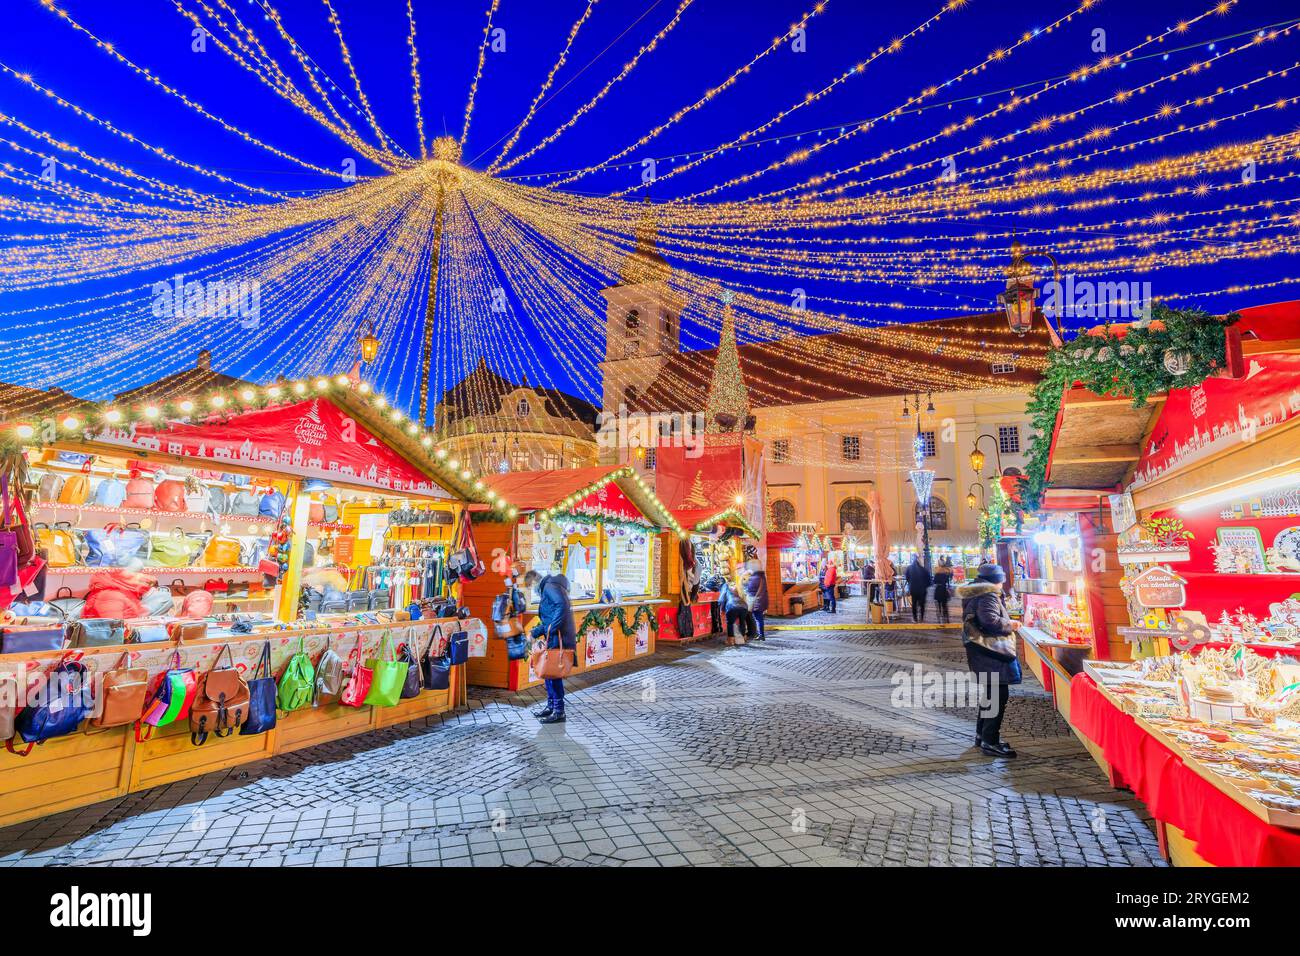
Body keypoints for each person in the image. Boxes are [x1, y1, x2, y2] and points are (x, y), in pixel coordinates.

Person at [957, 563, 1022, 758]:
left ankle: (982, 735)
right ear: (996, 580)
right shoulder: (988, 594)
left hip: (981, 651)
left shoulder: (976, 591)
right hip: (991, 652)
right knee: (997, 695)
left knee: (990, 695)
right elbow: (990, 621)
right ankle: (990, 741)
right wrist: (1011, 624)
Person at [524, 569, 576, 724]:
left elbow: (561, 606)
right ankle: (551, 706)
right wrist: (538, 631)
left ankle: (559, 711)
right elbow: (551, 615)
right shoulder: (550, 586)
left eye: (530, 585)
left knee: (553, 673)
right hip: (554, 635)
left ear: (535, 582)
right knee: (548, 672)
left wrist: (550, 628)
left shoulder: (549, 587)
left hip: (557, 636)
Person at [718, 576, 756, 643]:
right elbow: (742, 595)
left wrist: (721, 608)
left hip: (732, 606)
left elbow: (721, 599)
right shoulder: (736, 586)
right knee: (742, 622)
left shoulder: (725, 586)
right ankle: (744, 638)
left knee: (730, 623)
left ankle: (730, 640)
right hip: (744, 606)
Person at [743, 560, 769, 641]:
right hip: (760, 601)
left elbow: (750, 589)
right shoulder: (761, 576)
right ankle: (760, 634)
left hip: (756, 601)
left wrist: (744, 581)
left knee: (758, 618)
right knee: (759, 618)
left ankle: (761, 635)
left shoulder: (755, 577)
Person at [905, 554, 932, 623]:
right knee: (922, 604)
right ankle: (922, 618)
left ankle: (915, 618)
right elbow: (929, 580)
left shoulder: (909, 568)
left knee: (914, 604)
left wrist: (910, 584)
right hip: (922, 590)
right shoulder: (923, 569)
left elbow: (907, 578)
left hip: (913, 589)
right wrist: (925, 586)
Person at [932, 556, 954, 624]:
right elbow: (949, 579)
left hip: (938, 590)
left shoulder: (937, 574)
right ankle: (946, 619)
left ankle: (939, 619)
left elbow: (934, 582)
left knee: (938, 606)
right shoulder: (946, 574)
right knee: (944, 605)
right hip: (944, 590)